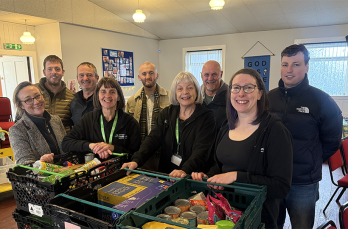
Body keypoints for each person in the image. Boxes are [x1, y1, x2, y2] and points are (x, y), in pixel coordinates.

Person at [192, 68, 293, 229]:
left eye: (248, 88)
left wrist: (236, 176)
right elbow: (219, 165)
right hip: (224, 215)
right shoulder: (227, 126)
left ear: (260, 93)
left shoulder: (275, 130)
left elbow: (281, 187)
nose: (241, 93)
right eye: (236, 87)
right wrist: (209, 177)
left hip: (257, 219)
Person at [267, 44, 343, 229]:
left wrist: (312, 158)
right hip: (272, 178)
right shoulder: (268, 98)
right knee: (270, 225)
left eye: (296, 64)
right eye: (285, 64)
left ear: (307, 66)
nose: (289, 70)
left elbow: (332, 141)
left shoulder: (321, 100)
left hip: (303, 182)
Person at [121, 72, 216, 178]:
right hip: (167, 175)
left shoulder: (207, 117)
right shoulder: (167, 113)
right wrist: (136, 160)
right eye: (180, 89)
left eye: (190, 88)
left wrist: (184, 170)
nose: (185, 92)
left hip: (193, 176)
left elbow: (201, 150)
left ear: (197, 91)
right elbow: (153, 139)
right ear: (175, 93)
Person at [62, 77, 141, 160]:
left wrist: (113, 148)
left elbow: (136, 154)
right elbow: (66, 143)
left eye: (112, 92)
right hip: (92, 169)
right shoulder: (88, 119)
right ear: (97, 96)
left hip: (121, 170)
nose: (107, 96)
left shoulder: (130, 122)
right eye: (103, 92)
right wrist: (92, 146)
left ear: (118, 97)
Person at [125, 61, 170, 171]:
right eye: (144, 74)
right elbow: (128, 129)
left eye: (151, 73)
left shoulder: (170, 98)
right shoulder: (132, 101)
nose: (148, 77)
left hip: (164, 153)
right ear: (139, 77)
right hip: (142, 155)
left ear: (157, 75)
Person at [9, 82, 66, 165]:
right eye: (28, 100)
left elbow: (66, 150)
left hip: (67, 173)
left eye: (37, 96)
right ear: (21, 105)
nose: (36, 102)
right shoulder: (17, 130)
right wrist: (40, 164)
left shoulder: (56, 120)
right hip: (43, 177)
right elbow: (24, 164)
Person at [36, 55, 74, 132]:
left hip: (62, 142)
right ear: (44, 72)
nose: (53, 72)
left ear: (63, 72)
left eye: (57, 69)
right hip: (37, 140)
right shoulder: (33, 92)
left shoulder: (71, 97)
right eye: (49, 69)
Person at [201, 60, 228, 131]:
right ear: (201, 76)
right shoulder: (195, 97)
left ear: (221, 75)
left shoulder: (231, 96)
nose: (210, 78)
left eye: (214, 74)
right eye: (206, 74)